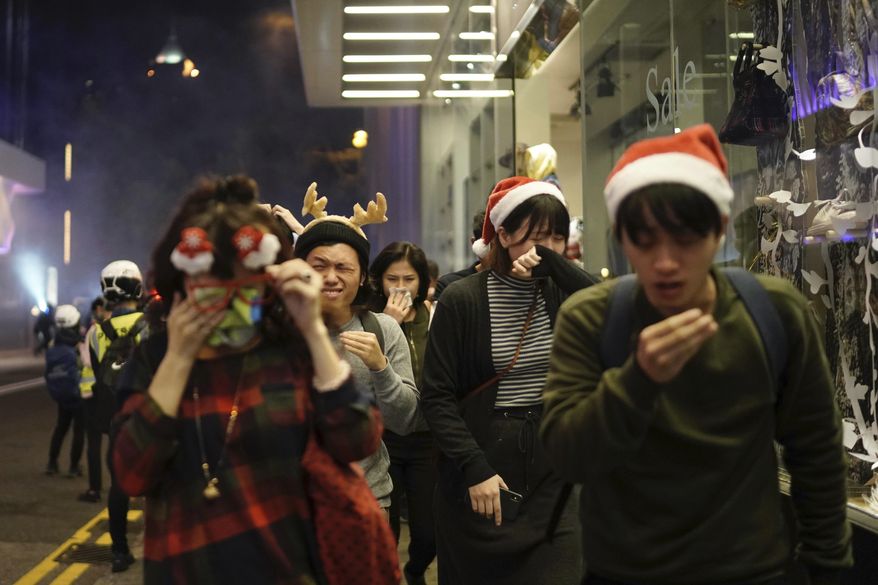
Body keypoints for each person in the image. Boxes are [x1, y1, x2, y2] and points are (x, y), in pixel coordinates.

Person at [540, 125, 852, 585]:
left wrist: (829, 569)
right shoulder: (591, 317)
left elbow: (817, 454)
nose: (665, 261)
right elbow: (567, 457)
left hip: (752, 571)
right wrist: (638, 380)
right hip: (624, 572)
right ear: (622, 238)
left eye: (685, 239)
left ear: (719, 230)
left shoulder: (772, 311)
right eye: (645, 240)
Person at [111, 175, 385, 583]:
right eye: (209, 280)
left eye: (240, 281)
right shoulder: (155, 356)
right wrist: (179, 356)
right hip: (184, 569)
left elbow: (357, 438)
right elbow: (131, 473)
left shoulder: (288, 350)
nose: (225, 297)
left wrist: (312, 329)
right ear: (181, 281)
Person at [420, 176, 598, 585]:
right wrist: (474, 468)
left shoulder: (558, 291)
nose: (548, 246)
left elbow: (609, 305)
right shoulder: (461, 298)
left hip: (552, 468)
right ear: (501, 233)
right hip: (483, 464)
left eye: (557, 237)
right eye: (536, 236)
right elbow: (437, 396)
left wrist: (554, 264)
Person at [294, 185, 421, 515]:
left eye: (343, 268)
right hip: (293, 503)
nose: (331, 277)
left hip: (367, 499)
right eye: (319, 266)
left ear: (363, 276)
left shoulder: (383, 329)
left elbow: (405, 421)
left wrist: (381, 368)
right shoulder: (282, 330)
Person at [369, 241, 437, 585]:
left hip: (427, 439)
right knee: (387, 527)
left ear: (422, 280)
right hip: (385, 439)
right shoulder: (370, 321)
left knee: (427, 532)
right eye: (391, 278)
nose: (399, 287)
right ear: (379, 281)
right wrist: (388, 324)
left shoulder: (436, 316)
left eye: (408, 279)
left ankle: (415, 571)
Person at [77, 259, 146, 573]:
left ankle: (119, 551)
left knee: (119, 486)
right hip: (149, 415)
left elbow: (95, 371)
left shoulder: (94, 333)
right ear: (137, 286)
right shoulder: (152, 324)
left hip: (117, 420)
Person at [44, 304, 85, 477]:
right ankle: (74, 467)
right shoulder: (78, 343)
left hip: (62, 393)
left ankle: (52, 463)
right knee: (79, 430)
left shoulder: (53, 343)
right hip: (79, 392)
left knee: (61, 427)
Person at [433, 209, 485, 301]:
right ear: (474, 243)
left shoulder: (515, 282)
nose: (497, 253)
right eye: (489, 246)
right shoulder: (448, 285)